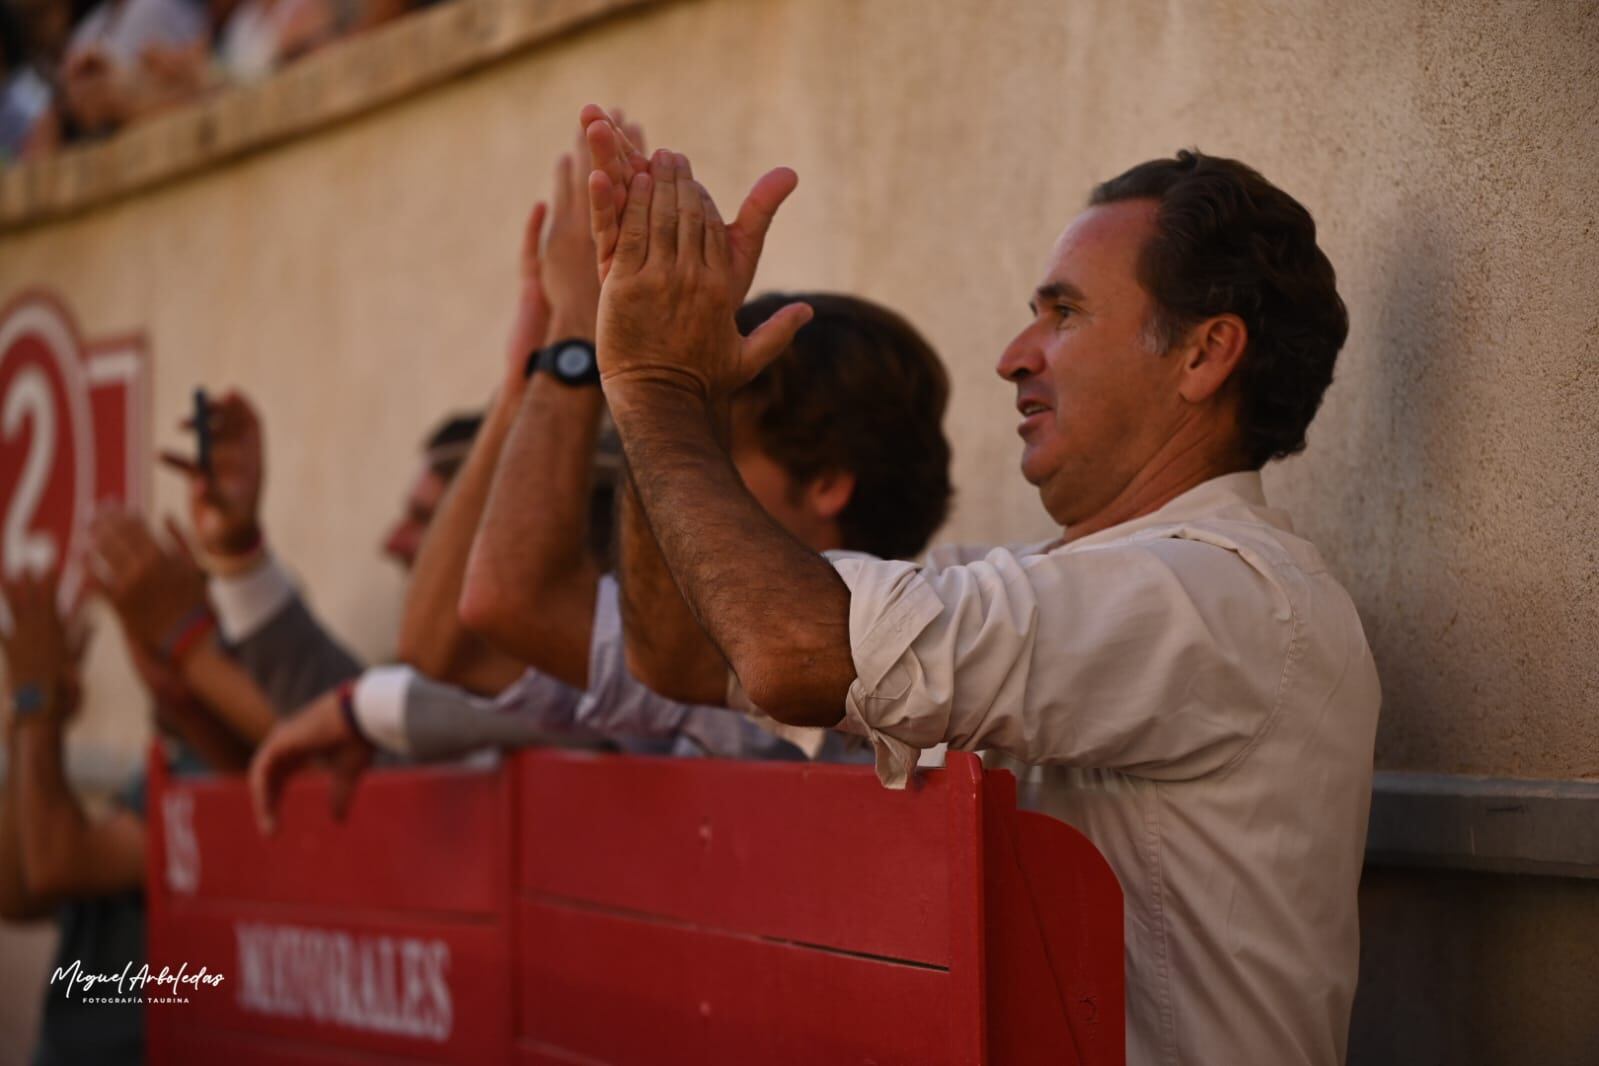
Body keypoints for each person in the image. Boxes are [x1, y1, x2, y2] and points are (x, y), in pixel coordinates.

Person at [581, 109, 1380, 1066]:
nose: (1013, 356)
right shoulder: (1075, 579)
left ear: (1204, 354)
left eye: (1063, 313)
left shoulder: (1223, 593)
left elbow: (793, 656)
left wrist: (657, 389)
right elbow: (680, 654)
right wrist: (681, 397)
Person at [246, 123, 954, 830]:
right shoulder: (703, 646)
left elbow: (500, 607)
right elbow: (445, 645)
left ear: (826, 483)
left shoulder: (841, 652)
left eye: (714, 452)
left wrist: (584, 337)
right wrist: (535, 369)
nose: (678, 478)